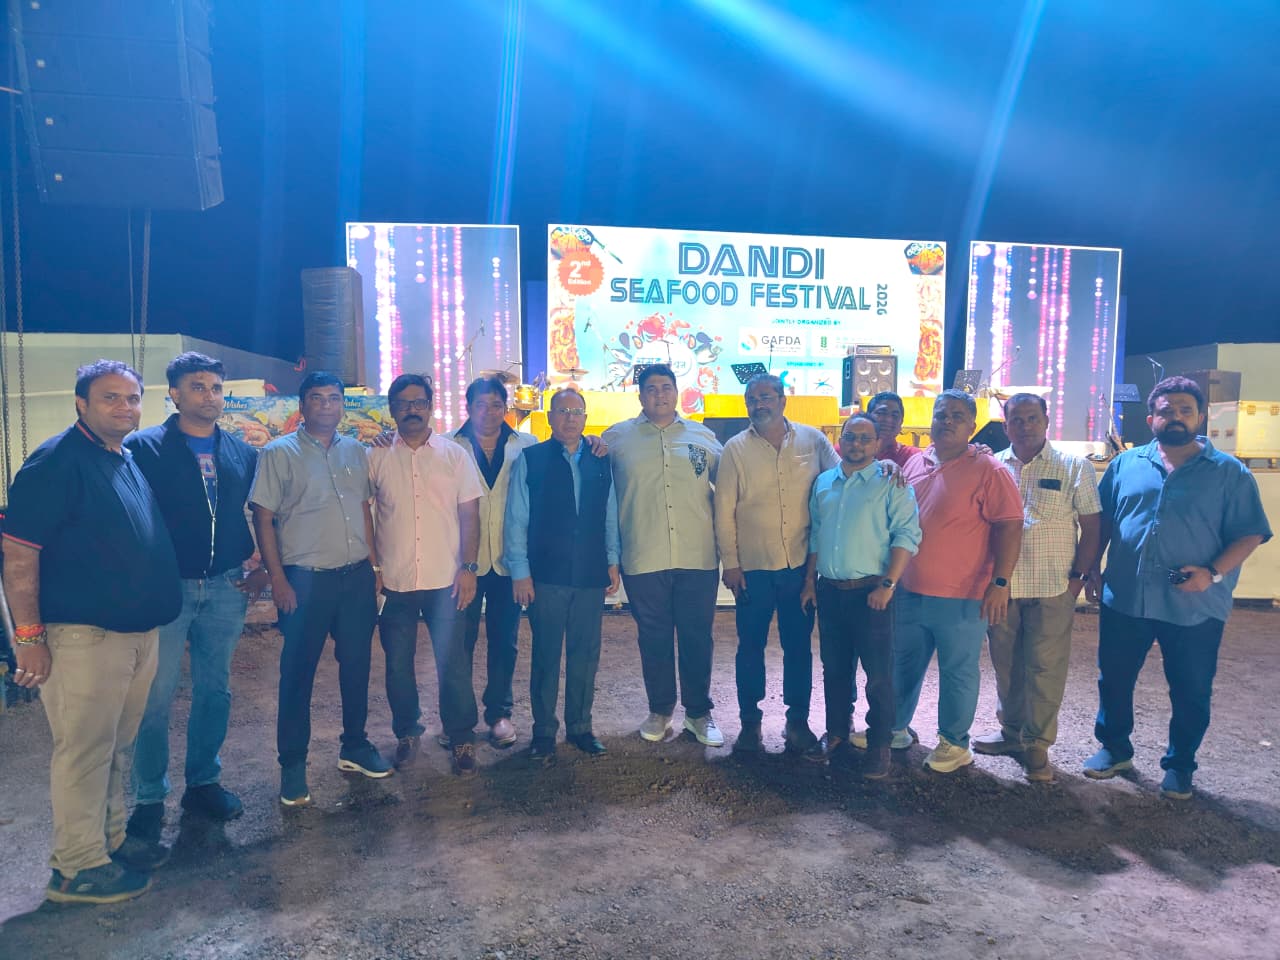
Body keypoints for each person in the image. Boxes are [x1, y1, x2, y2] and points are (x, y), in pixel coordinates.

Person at [3, 359, 181, 904]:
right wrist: (28, 639)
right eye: (110, 397)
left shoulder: (119, 456)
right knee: (84, 751)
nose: (125, 408)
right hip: (84, 637)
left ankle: (110, 842)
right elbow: (18, 556)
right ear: (81, 403)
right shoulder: (56, 462)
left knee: (115, 747)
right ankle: (76, 867)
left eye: (132, 398)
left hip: (134, 635)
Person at [1084, 376, 1270, 799]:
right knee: (1113, 679)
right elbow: (1105, 519)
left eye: (1186, 410)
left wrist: (1212, 572)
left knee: (1191, 689)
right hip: (1127, 598)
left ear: (1200, 417)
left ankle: (1181, 764)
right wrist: (1092, 565)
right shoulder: (1126, 465)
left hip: (1195, 605)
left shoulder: (1229, 473)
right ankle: (1114, 749)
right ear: (1151, 418)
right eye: (1166, 411)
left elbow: (1250, 533)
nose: (1176, 417)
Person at [125, 353, 269, 850]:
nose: (210, 396)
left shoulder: (240, 452)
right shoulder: (143, 448)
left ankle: (203, 783)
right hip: (167, 588)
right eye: (198, 387)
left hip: (226, 586)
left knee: (215, 690)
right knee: (154, 695)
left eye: (216, 387)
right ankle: (148, 798)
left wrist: (263, 565)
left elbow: (261, 512)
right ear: (174, 395)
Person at [251, 371, 390, 807]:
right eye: (318, 398)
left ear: (342, 405)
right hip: (304, 580)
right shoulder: (278, 452)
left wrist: (374, 565)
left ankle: (355, 746)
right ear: (303, 405)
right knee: (297, 673)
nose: (327, 405)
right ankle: (293, 766)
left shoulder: (356, 451)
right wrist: (277, 578)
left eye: (334, 398)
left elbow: (364, 510)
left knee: (357, 666)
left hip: (355, 578)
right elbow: (264, 518)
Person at [970, 394, 1101, 782]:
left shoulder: (1074, 467)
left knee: (1046, 667)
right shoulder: (992, 466)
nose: (1025, 425)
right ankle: (1011, 733)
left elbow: (1092, 526)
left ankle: (1037, 745)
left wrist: (1078, 578)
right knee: (1006, 663)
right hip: (1002, 585)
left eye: (1032, 418)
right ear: (1005, 425)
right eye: (1017, 419)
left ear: (1046, 421)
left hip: (1053, 584)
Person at [893, 389, 1024, 773]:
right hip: (910, 590)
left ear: (971, 426)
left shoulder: (990, 470)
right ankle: (895, 728)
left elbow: (1010, 526)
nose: (947, 421)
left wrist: (1000, 582)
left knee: (957, 671)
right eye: (941, 414)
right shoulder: (916, 463)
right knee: (903, 664)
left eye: (957, 416)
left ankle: (954, 743)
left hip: (962, 595)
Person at [714, 373, 837, 758]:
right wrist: (731, 563)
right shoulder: (735, 449)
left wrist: (882, 469)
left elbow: (843, 477)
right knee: (749, 646)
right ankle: (749, 723)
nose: (759, 404)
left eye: (766, 397)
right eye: (752, 399)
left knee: (798, 647)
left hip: (800, 569)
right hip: (752, 569)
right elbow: (724, 510)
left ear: (783, 400)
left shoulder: (813, 440)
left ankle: (797, 722)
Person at [602, 363, 725, 746]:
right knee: (653, 638)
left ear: (677, 392)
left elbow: (732, 487)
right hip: (643, 555)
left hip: (698, 556)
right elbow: (604, 500)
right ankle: (659, 710)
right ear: (640, 395)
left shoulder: (703, 437)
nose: (660, 394)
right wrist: (610, 556)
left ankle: (699, 714)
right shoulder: (616, 439)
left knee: (697, 637)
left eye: (666, 387)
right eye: (651, 388)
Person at [371, 373, 486, 776]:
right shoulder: (375, 456)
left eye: (419, 402)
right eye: (403, 403)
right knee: (397, 666)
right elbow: (365, 515)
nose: (412, 409)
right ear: (392, 409)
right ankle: (407, 733)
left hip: (446, 580)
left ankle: (462, 736)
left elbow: (470, 516)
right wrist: (374, 568)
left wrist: (468, 568)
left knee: (453, 663)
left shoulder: (455, 456)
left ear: (431, 406)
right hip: (395, 581)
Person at [504, 388, 621, 763]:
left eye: (577, 411)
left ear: (585, 418)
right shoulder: (532, 459)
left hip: (589, 572)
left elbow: (609, 513)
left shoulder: (600, 459)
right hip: (546, 574)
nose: (570, 417)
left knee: (585, 655)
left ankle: (581, 727)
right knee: (546, 655)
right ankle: (543, 732)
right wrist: (520, 571)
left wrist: (612, 560)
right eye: (563, 411)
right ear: (551, 417)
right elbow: (517, 518)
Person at [801, 414, 921, 779]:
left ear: (877, 444)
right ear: (841, 439)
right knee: (835, 669)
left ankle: (880, 744)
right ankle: (837, 731)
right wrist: (810, 582)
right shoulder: (824, 482)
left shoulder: (891, 482)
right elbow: (816, 536)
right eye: (851, 437)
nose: (857, 444)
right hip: (830, 591)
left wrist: (888, 585)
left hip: (873, 594)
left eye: (865, 438)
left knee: (879, 675)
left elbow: (906, 535)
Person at [449, 376, 537, 748]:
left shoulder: (528, 446)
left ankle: (499, 714)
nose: (489, 412)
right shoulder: (449, 446)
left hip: (508, 563)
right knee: (459, 642)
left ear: (506, 408)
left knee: (505, 641)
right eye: (481, 405)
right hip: (462, 564)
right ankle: (458, 718)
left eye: (497, 405)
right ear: (469, 408)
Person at [867, 391, 922, 468]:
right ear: (868, 417)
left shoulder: (913, 456)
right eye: (882, 413)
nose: (888, 420)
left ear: (901, 422)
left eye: (894, 415)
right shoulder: (855, 449)